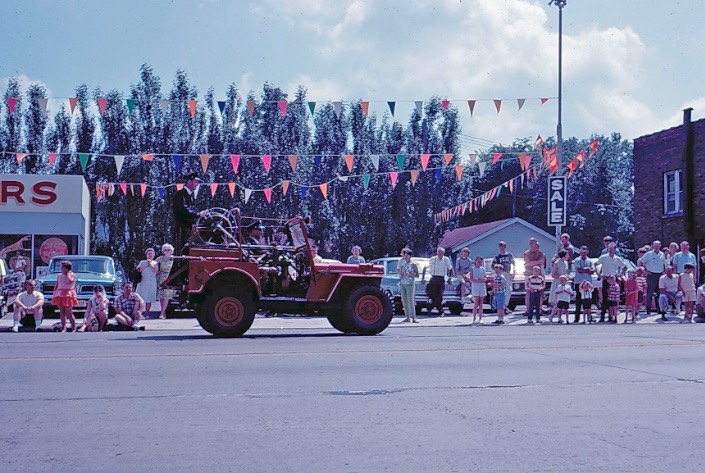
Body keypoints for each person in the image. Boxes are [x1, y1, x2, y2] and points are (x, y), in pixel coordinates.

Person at [173, 172, 206, 254]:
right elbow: (183, 209)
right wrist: (198, 214)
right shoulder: (180, 194)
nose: (197, 184)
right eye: (195, 182)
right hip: (182, 229)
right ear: (189, 181)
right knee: (182, 250)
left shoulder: (190, 195)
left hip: (189, 229)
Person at [597, 243, 627, 323]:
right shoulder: (603, 257)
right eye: (609, 248)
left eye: (612, 248)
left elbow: (624, 267)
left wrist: (620, 274)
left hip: (614, 280)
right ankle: (603, 316)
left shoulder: (617, 258)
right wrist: (599, 274)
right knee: (605, 298)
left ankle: (613, 317)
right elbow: (596, 264)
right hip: (606, 279)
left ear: (615, 249)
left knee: (614, 299)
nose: (610, 250)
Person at [421, 247, 453, 317]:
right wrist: (423, 278)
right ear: (437, 252)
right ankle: (440, 310)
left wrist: (449, 278)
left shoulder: (446, 259)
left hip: (441, 278)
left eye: (441, 252)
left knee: (439, 295)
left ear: (443, 253)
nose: (440, 253)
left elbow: (450, 269)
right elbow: (425, 267)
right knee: (433, 295)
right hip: (434, 278)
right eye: (439, 252)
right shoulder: (433, 259)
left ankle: (431, 308)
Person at [639, 241, 666, 314]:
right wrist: (645, 271)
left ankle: (659, 309)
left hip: (660, 275)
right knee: (650, 293)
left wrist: (664, 272)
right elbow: (640, 262)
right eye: (655, 246)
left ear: (660, 246)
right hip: (651, 275)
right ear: (653, 246)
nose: (656, 247)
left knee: (659, 293)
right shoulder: (649, 254)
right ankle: (648, 309)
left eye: (658, 246)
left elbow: (664, 264)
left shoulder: (662, 254)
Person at [52, 260, 78, 332]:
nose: (62, 269)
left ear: (67, 268)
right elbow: (57, 284)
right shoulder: (59, 276)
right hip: (60, 293)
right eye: (62, 268)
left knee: (68, 312)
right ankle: (63, 327)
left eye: (63, 268)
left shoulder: (72, 275)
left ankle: (73, 327)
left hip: (68, 294)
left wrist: (68, 274)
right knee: (62, 311)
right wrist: (55, 291)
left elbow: (70, 281)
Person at [523, 238, 546, 313]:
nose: (534, 244)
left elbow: (542, 262)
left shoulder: (541, 253)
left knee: (540, 292)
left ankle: (540, 309)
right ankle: (527, 309)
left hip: (539, 275)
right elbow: (527, 263)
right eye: (532, 243)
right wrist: (537, 262)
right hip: (529, 274)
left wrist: (532, 263)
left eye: (535, 243)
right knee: (528, 291)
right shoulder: (526, 253)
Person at [573, 246, 595, 323]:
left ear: (587, 252)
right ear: (580, 252)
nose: (584, 254)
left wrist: (585, 269)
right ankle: (577, 318)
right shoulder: (577, 260)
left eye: (585, 253)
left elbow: (592, 271)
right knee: (578, 301)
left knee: (588, 301)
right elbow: (579, 270)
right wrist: (587, 269)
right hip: (579, 282)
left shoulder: (590, 260)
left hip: (588, 283)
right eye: (582, 253)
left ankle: (589, 317)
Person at [397, 248, 419, 323]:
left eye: (407, 255)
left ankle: (413, 317)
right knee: (404, 301)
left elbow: (417, 275)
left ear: (410, 256)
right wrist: (402, 274)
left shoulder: (413, 264)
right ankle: (407, 317)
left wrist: (410, 274)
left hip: (410, 284)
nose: (405, 257)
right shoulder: (403, 264)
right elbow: (400, 271)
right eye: (405, 255)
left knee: (410, 301)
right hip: (403, 283)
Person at [548, 249, 570, 320]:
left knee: (562, 301)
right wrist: (561, 278)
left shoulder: (566, 262)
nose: (568, 256)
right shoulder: (557, 262)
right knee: (557, 301)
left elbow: (565, 272)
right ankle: (552, 315)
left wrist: (566, 277)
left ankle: (557, 316)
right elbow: (553, 274)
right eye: (567, 254)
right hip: (558, 283)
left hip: (564, 283)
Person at [136, 248, 159, 316]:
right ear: (146, 255)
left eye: (151, 254)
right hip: (143, 281)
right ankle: (139, 313)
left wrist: (150, 263)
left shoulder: (155, 263)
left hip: (151, 282)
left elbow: (155, 270)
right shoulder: (142, 262)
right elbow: (139, 270)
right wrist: (147, 264)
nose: (150, 255)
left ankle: (147, 313)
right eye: (149, 253)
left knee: (149, 298)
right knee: (141, 298)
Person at [493, 241, 514, 311]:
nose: (502, 248)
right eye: (500, 246)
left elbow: (513, 264)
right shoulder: (497, 257)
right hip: (500, 274)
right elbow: (493, 266)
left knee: (509, 289)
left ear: (505, 247)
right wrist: (497, 271)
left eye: (503, 246)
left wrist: (513, 273)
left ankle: (505, 305)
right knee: (500, 290)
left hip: (508, 273)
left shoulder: (510, 255)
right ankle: (498, 305)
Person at [156, 243, 176, 319]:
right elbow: (154, 265)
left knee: (166, 296)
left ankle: (162, 313)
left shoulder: (174, 258)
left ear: (171, 251)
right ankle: (163, 311)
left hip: (170, 277)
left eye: (169, 250)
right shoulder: (160, 258)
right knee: (161, 296)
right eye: (165, 250)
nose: (167, 251)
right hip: (161, 278)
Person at [468, 256, 487, 324]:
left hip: (482, 286)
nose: (479, 263)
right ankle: (474, 318)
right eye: (478, 261)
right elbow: (471, 279)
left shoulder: (483, 269)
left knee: (481, 303)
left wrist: (483, 280)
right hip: (475, 286)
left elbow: (485, 277)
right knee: (476, 303)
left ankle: (480, 318)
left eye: (481, 262)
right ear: (475, 261)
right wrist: (477, 281)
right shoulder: (472, 269)